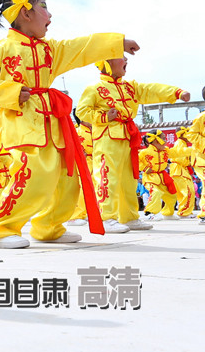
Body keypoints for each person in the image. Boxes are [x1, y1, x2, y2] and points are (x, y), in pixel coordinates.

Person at [0, 0, 137, 248]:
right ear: (26, 13)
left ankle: (49, 227)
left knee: (67, 175)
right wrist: (13, 92)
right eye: (44, 6)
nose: (50, 14)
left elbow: (81, 47)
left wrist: (117, 43)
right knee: (33, 173)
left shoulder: (50, 50)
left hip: (54, 120)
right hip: (22, 121)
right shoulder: (2, 49)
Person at [76, 56, 188, 232]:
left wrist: (176, 92)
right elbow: (82, 111)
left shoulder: (130, 87)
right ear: (108, 63)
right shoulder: (94, 89)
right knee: (108, 177)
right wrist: (104, 117)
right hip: (107, 138)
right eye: (121, 58)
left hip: (128, 137)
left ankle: (129, 217)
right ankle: (106, 218)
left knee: (129, 180)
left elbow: (150, 90)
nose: (126, 60)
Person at [139, 130, 178, 220]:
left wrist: (192, 150)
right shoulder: (144, 152)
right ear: (157, 140)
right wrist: (145, 168)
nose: (165, 141)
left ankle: (168, 214)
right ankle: (149, 213)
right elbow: (136, 161)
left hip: (162, 177)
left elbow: (177, 152)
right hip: (150, 177)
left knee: (171, 195)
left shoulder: (165, 151)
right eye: (163, 138)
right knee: (156, 192)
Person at [66, 117, 94, 226]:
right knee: (81, 189)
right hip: (82, 162)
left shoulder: (95, 130)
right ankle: (75, 216)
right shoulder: (77, 131)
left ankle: (86, 213)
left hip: (94, 162)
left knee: (94, 190)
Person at [170, 127, 201, 218]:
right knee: (188, 190)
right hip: (179, 169)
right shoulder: (180, 143)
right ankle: (184, 212)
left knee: (184, 191)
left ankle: (185, 211)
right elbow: (181, 159)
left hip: (180, 170)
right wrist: (190, 161)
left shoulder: (182, 143)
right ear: (182, 135)